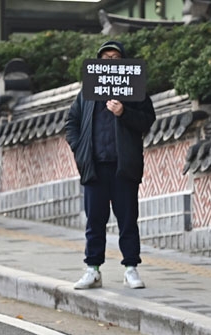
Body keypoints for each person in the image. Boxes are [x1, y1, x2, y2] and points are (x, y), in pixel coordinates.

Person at [65, 40, 156, 290]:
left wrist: (123, 112)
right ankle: (92, 269)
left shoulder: (134, 91)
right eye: (105, 59)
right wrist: (79, 148)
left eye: (115, 58)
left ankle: (131, 268)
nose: (110, 63)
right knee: (95, 220)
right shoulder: (87, 92)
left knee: (127, 220)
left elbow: (148, 120)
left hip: (123, 166)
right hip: (94, 166)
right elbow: (71, 123)